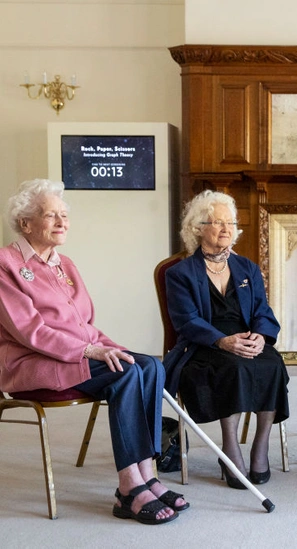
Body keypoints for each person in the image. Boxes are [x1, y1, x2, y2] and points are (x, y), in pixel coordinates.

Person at [0, 179, 187, 525]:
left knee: (149, 366)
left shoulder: (65, 265)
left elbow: (85, 325)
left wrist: (112, 348)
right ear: (25, 223)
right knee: (125, 373)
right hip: (33, 363)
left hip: (78, 354)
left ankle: (147, 475)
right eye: (51, 215)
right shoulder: (5, 264)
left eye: (64, 214)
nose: (62, 222)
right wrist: (89, 350)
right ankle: (129, 488)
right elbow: (30, 331)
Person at [163, 190, 289, 487]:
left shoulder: (247, 268)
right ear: (198, 228)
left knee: (271, 364)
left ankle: (261, 445)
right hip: (203, 344)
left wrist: (261, 336)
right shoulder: (180, 273)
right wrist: (222, 340)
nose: (226, 229)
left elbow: (262, 310)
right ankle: (230, 449)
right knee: (233, 367)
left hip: (246, 336)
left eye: (230, 223)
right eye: (217, 222)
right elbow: (186, 320)